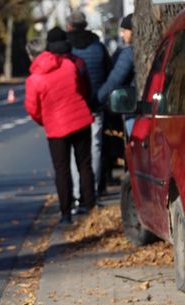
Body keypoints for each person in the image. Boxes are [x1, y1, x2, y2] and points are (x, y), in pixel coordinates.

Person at [24, 27, 95, 224]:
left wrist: (44, 120)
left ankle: (66, 213)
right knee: (84, 164)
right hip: (80, 119)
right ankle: (89, 205)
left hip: (56, 128)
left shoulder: (34, 79)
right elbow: (81, 89)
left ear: (32, 58)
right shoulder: (68, 65)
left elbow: (32, 108)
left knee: (61, 169)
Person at [66, 10, 113, 201]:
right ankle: (92, 190)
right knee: (94, 148)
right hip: (95, 104)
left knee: (72, 151)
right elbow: (108, 72)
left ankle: (77, 192)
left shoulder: (67, 49)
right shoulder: (98, 46)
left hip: (74, 105)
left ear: (70, 26)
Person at [98, 13, 135, 137]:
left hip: (133, 110)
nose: (122, 34)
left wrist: (98, 99)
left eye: (125, 30)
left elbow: (114, 81)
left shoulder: (128, 53)